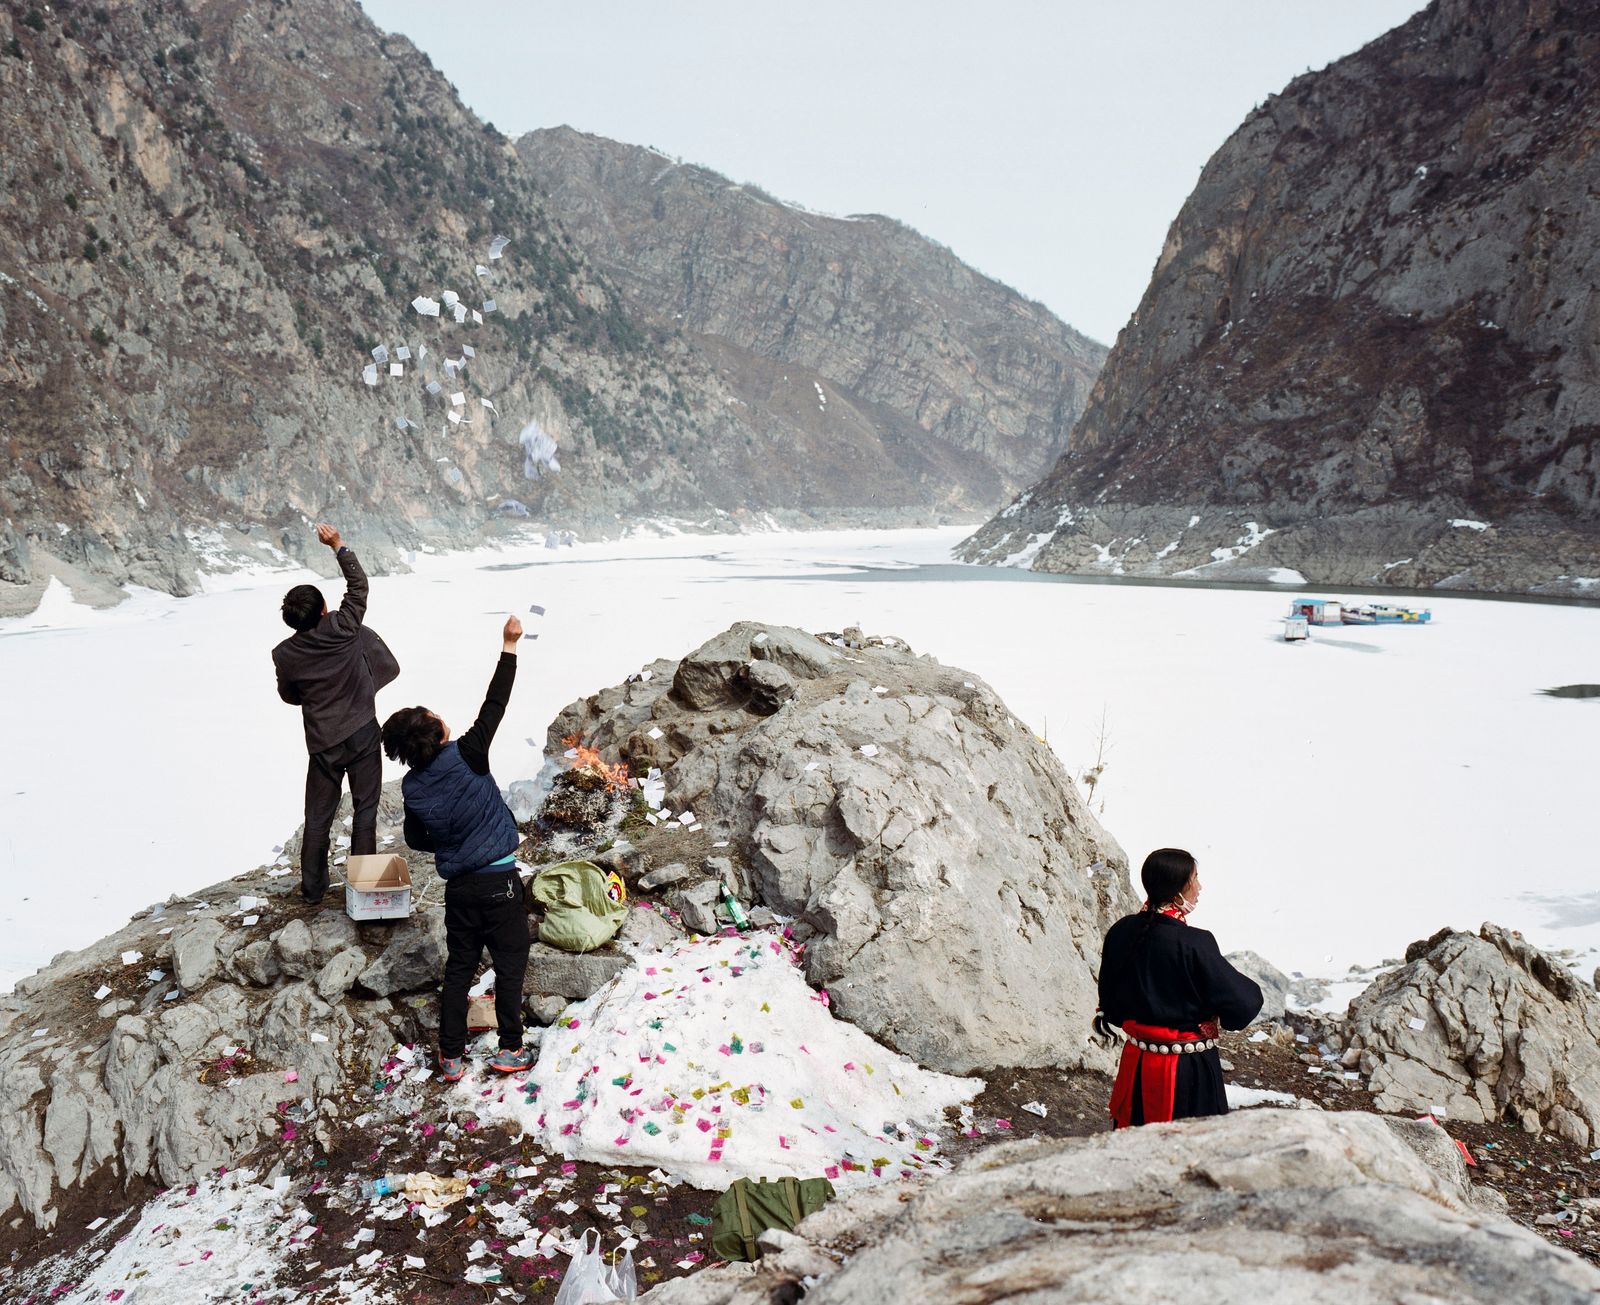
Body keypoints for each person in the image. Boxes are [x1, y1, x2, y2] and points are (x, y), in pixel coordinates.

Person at [382, 616, 530, 1081]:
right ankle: (510, 1048)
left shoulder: (412, 788)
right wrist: (508, 645)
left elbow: (416, 839)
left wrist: (449, 836)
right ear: (438, 733)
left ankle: (450, 1057)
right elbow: (496, 703)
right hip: (501, 884)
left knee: (460, 970)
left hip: (460, 891)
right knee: (509, 965)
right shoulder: (469, 753)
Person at [272, 524, 399, 905]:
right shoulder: (343, 627)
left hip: (323, 743)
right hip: (362, 733)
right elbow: (358, 587)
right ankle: (365, 890)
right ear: (324, 610)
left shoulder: (285, 654)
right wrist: (338, 545)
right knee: (365, 810)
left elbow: (289, 696)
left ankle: (312, 891)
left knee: (318, 819)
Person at [1096, 848, 1263, 1127]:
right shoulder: (1194, 942)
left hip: (1136, 1064)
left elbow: (1110, 1005)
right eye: (1195, 879)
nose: (1200, 887)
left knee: (1135, 1148)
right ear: (1177, 891)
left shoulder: (1122, 931)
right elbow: (1242, 1005)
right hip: (1187, 1072)